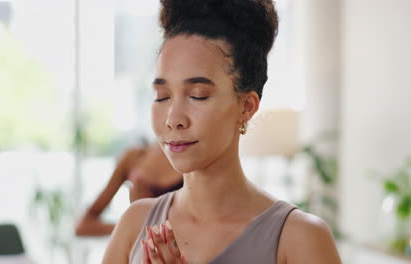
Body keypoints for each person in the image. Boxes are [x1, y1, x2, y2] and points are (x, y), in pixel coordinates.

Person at [103, 0, 342, 263]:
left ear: (246, 107)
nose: (173, 119)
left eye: (198, 95)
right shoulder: (135, 225)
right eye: (162, 96)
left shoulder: (301, 238)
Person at [75, 142, 183, 236]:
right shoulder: (135, 158)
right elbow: (83, 226)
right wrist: (133, 226)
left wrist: (144, 224)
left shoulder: (191, 159)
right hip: (139, 255)